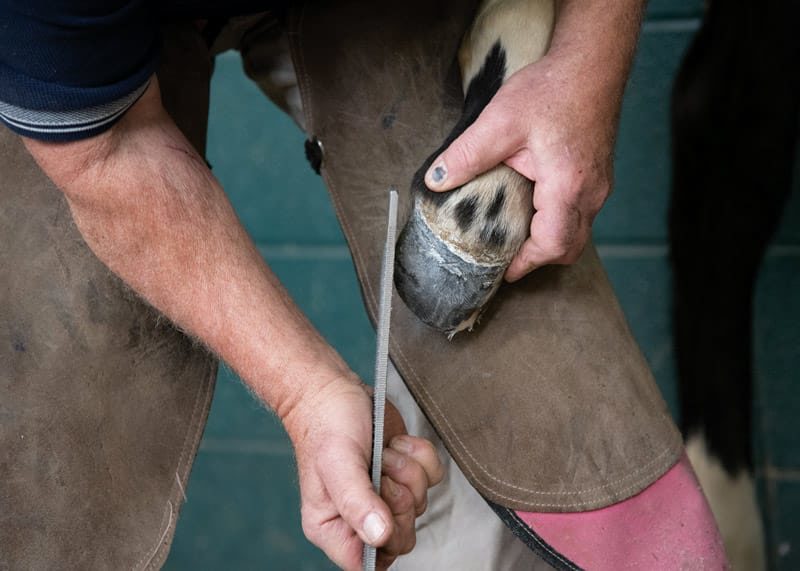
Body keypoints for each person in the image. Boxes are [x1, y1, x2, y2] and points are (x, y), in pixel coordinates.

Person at [0, 1, 725, 569]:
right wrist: (306, 392)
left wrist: (587, 63)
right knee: (46, 466)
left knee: (526, 381)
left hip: (380, 7)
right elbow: (106, 150)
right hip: (77, 58)